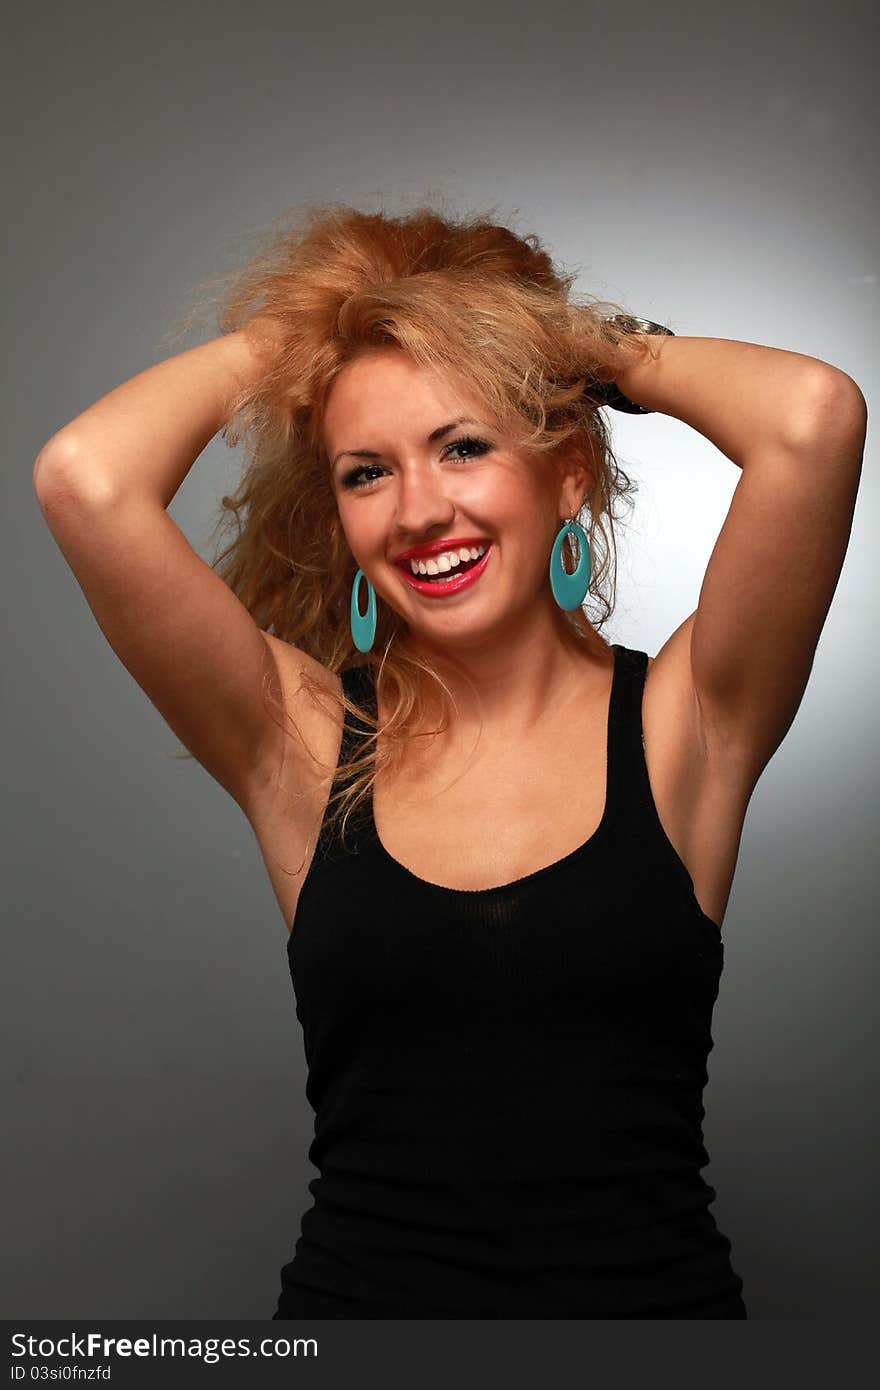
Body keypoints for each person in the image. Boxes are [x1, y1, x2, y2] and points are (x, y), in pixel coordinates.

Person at [32, 203, 867, 1319]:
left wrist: (560, 341)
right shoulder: (302, 742)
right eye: (365, 472)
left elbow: (814, 418)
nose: (420, 511)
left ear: (565, 471)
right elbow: (86, 477)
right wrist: (316, 333)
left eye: (464, 445)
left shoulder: (688, 722)